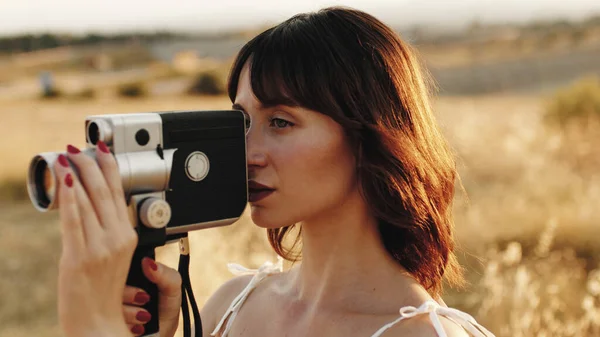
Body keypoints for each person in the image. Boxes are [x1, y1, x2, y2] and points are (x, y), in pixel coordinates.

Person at [52, 6, 495, 337]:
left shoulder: (421, 334)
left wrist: (86, 317)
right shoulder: (232, 302)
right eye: (241, 123)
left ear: (368, 138)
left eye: (280, 122)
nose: (247, 153)